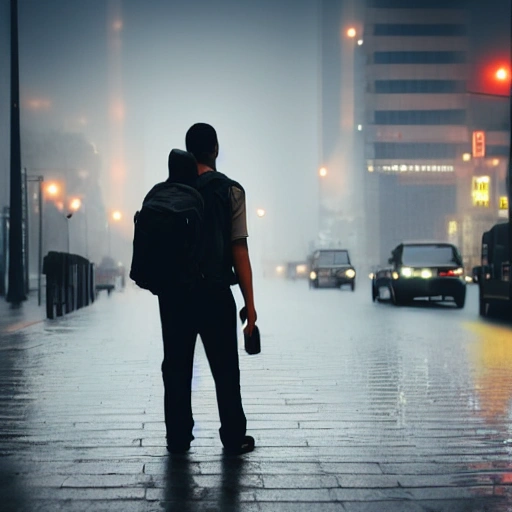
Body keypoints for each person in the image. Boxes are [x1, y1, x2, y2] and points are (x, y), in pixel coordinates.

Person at [158, 127, 257, 455]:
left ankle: (178, 437)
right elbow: (239, 249)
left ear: (189, 151)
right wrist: (250, 305)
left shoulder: (170, 191)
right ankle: (232, 435)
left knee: (176, 366)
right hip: (215, 292)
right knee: (225, 368)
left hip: (174, 296)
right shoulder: (230, 191)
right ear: (215, 148)